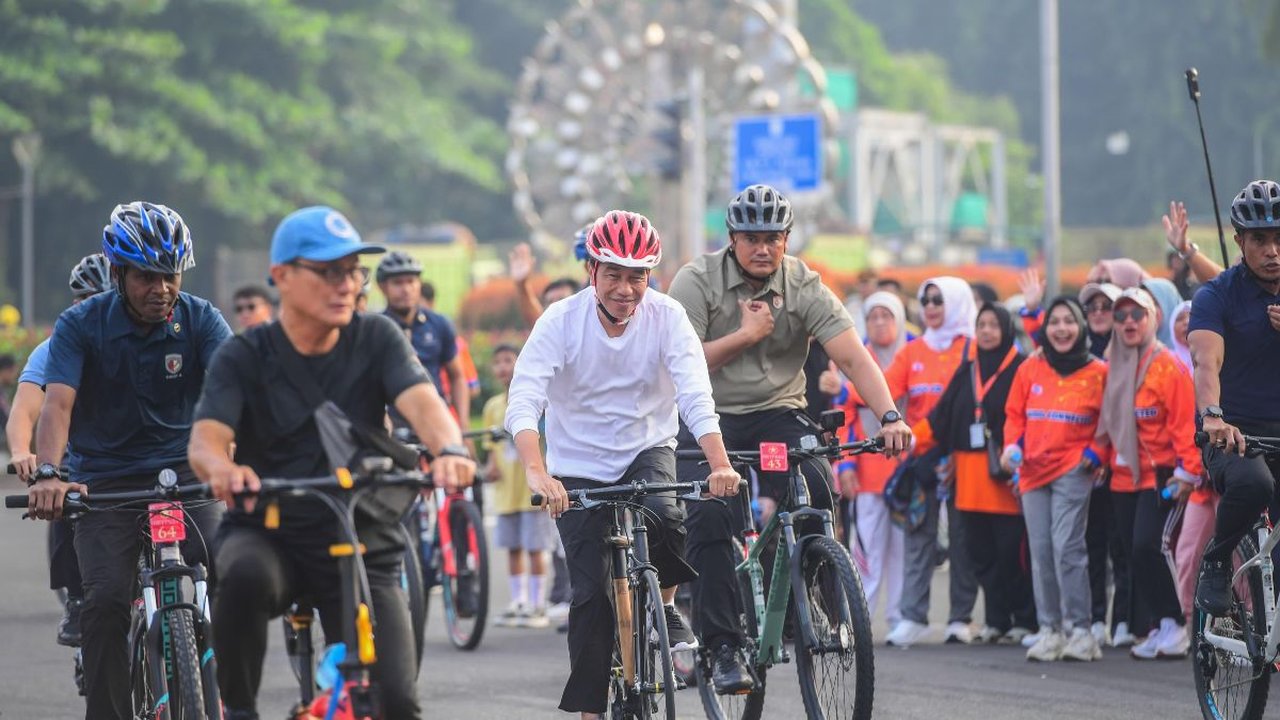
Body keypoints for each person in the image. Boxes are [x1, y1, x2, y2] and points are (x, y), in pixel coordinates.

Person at [188, 205, 475, 719]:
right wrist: (224, 470)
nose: (346, 285)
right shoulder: (244, 355)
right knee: (242, 574)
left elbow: (426, 404)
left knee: (398, 702)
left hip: (361, 533)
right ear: (282, 278)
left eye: (353, 272)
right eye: (328, 272)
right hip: (272, 529)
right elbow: (206, 441)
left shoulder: (377, 338)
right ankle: (240, 710)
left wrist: (450, 449)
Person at [667, 184, 911, 687]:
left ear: (786, 239)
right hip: (705, 416)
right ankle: (724, 646)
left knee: (817, 491)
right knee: (710, 516)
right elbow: (677, 365)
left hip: (778, 416)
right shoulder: (696, 281)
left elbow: (851, 356)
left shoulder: (803, 284)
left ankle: (815, 595)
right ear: (732, 239)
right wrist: (745, 336)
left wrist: (889, 416)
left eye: (773, 238)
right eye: (752, 238)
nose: (763, 248)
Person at [503, 210, 742, 719]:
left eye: (636, 276)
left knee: (669, 513)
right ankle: (594, 711)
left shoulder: (668, 318)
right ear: (591, 270)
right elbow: (525, 398)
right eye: (613, 274)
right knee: (590, 600)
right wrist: (537, 472)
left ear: (649, 277)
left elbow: (696, 395)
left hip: (645, 448)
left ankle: (668, 604)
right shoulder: (560, 321)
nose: (625, 288)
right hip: (577, 467)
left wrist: (719, 464)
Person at [27, 201, 232, 719]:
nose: (161, 288)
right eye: (146, 276)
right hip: (106, 485)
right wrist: (50, 473)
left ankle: (234, 693)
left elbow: (236, 387)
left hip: (189, 476)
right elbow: (58, 404)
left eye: (170, 275)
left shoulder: (202, 318)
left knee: (238, 573)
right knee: (105, 603)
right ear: (117, 273)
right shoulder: (79, 325)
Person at [6, 252, 112, 648]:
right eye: (89, 299)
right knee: (62, 496)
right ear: (75, 304)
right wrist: (20, 451)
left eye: (108, 298)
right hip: (74, 455)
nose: (99, 309)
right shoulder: (56, 348)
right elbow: (26, 409)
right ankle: (78, 598)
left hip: (135, 454)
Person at [919, 303, 1035, 644]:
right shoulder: (967, 370)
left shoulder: (1021, 368)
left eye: (993, 325)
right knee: (982, 557)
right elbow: (939, 418)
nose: (986, 331)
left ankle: (1026, 620)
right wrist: (907, 437)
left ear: (1006, 329)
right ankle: (997, 620)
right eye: (981, 325)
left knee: (1013, 556)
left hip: (1005, 480)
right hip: (969, 483)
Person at [1001, 296, 1108, 662]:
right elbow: (1014, 414)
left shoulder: (1099, 372)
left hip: (1073, 470)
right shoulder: (1030, 368)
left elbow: (1109, 422)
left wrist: (1095, 454)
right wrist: (1012, 446)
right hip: (1031, 471)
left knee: (1068, 548)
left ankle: (1082, 631)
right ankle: (1050, 630)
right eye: (1054, 322)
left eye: (1069, 321)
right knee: (1041, 552)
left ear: (1080, 327)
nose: (1061, 329)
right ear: (1045, 330)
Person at [1095, 288, 1200, 660]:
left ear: (1153, 318)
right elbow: (1109, 424)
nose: (1128, 322)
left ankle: (1177, 623)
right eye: (1120, 316)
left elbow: (1185, 422)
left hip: (1163, 476)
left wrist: (1189, 472)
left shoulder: (1168, 365)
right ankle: (1159, 625)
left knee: (1149, 545)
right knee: (1133, 552)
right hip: (1123, 478)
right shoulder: (1115, 364)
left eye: (1136, 315)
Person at [1191, 180, 1280, 617]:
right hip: (1233, 432)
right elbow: (1206, 362)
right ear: (1239, 240)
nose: (1272, 251)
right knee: (1254, 483)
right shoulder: (1216, 295)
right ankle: (1215, 562)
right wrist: (1212, 416)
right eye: (1260, 240)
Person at [881, 276, 979, 648]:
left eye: (939, 300)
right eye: (926, 300)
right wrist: (841, 386)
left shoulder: (972, 348)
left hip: (961, 459)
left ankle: (960, 618)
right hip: (921, 459)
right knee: (918, 537)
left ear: (956, 302)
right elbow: (882, 388)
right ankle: (912, 616)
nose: (932, 307)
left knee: (961, 538)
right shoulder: (912, 350)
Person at [828, 290, 910, 631]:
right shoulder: (855, 358)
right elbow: (843, 415)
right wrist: (845, 465)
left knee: (902, 550)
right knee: (866, 550)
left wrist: (849, 391)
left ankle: (899, 618)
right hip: (867, 471)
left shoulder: (911, 354)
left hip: (906, 471)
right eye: (873, 316)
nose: (879, 323)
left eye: (886, 316)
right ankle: (859, 622)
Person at [483, 342, 554, 628]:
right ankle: (518, 601)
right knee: (512, 546)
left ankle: (538, 605)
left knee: (536, 546)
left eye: (508, 360)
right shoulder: (492, 407)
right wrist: (490, 464)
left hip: (531, 491)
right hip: (506, 493)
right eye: (497, 362)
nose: (503, 367)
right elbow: (491, 449)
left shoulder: (538, 401)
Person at [375, 251, 469, 423]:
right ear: (382, 287)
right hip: (392, 425)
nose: (406, 289)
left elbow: (456, 376)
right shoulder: (375, 328)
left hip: (437, 420)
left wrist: (462, 425)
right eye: (397, 283)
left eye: (411, 281)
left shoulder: (439, 324)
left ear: (419, 284)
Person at [1163, 200, 1225, 288]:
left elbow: (1222, 284)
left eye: (1179, 257)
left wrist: (1185, 249)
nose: (1176, 262)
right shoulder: (1167, 287)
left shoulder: (1196, 288)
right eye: (1174, 258)